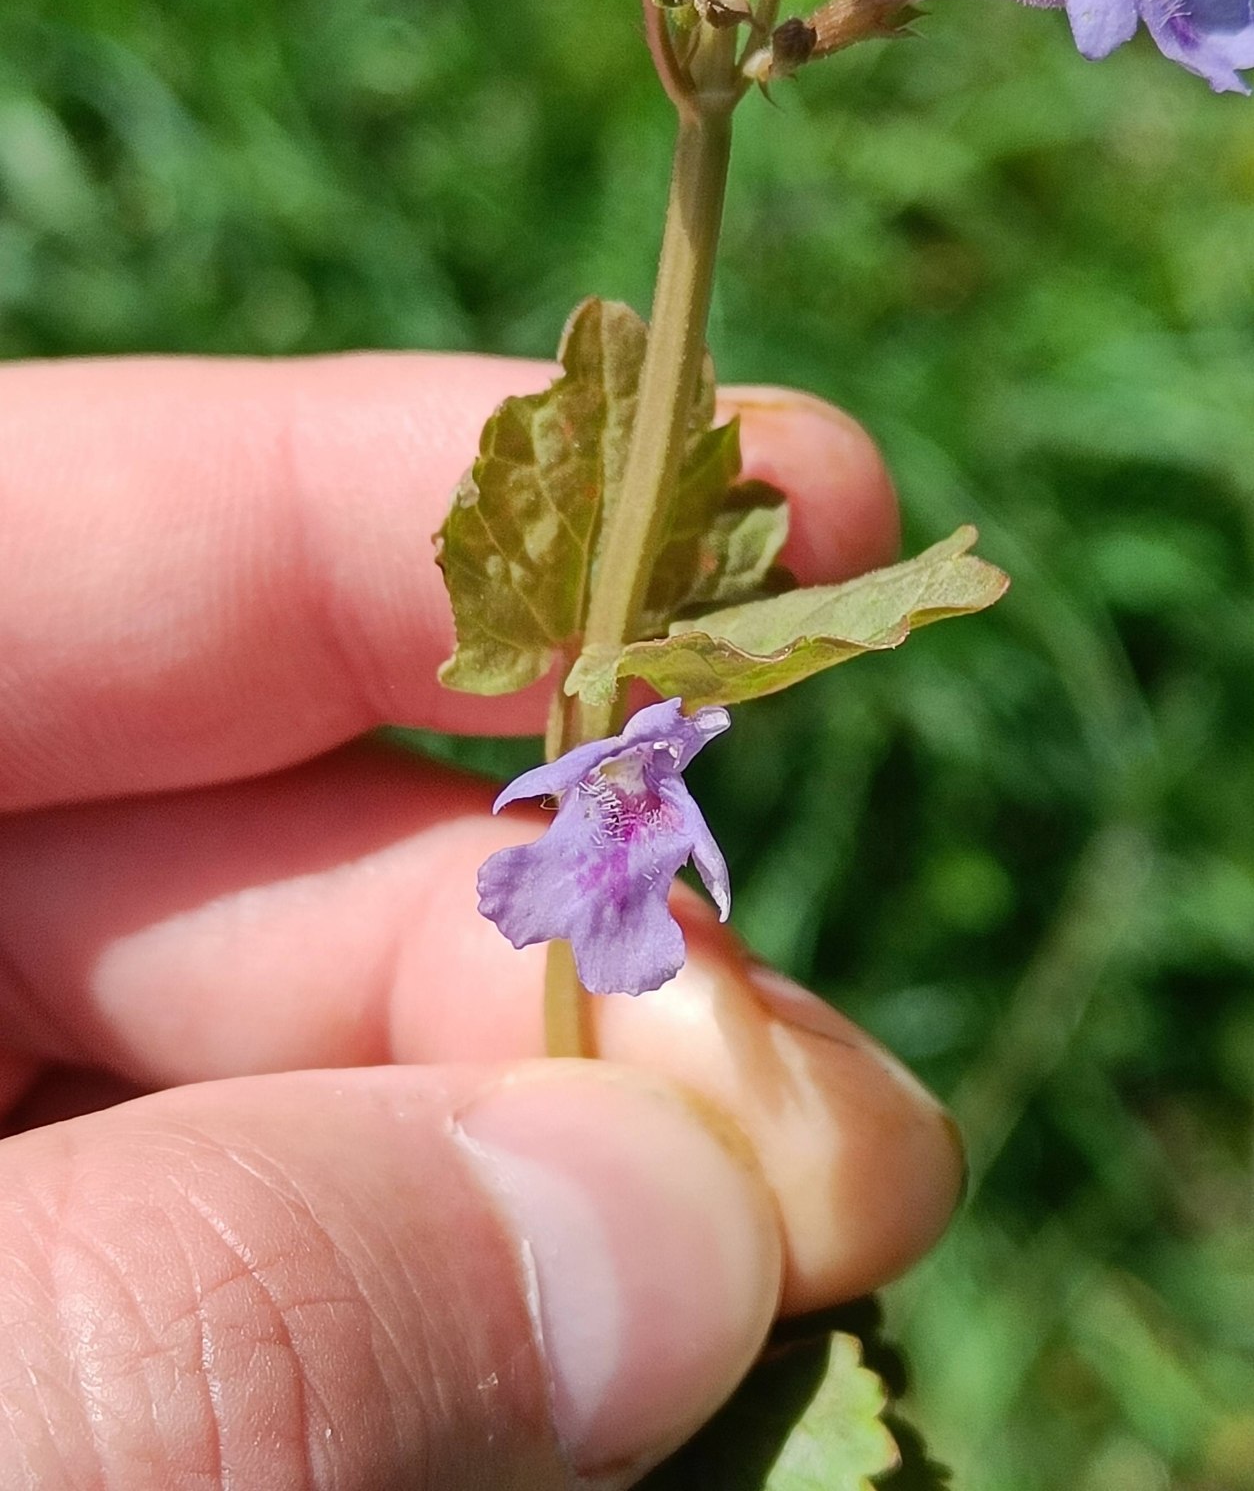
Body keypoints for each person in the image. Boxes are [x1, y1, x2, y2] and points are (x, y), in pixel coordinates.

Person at [0, 352, 963, 1489]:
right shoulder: (610, 779)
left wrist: (643, 791)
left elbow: (654, 817)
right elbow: (577, 791)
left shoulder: (642, 790)